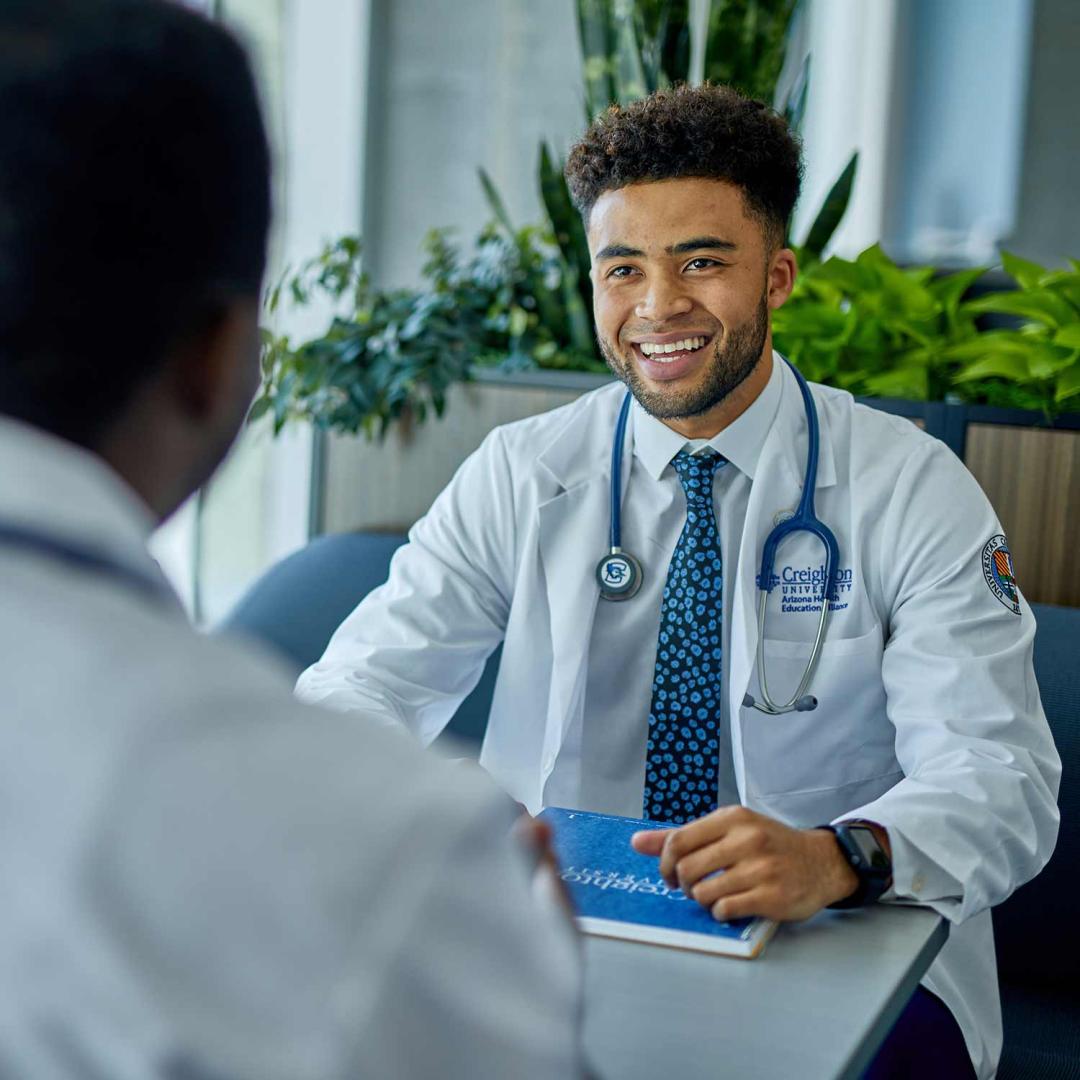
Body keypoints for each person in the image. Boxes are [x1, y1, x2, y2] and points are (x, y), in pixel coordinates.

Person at [297, 84, 1061, 1079]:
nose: (659, 308)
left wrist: (837, 857)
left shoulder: (910, 490)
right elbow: (359, 689)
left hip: (834, 932)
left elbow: (1002, 781)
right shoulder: (522, 473)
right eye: (624, 269)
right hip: (555, 924)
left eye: (703, 261)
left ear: (777, 276)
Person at [0, 2, 584, 1077]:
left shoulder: (903, 487)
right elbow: (372, 673)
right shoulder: (381, 854)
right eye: (622, 269)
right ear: (220, 354)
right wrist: (499, 938)